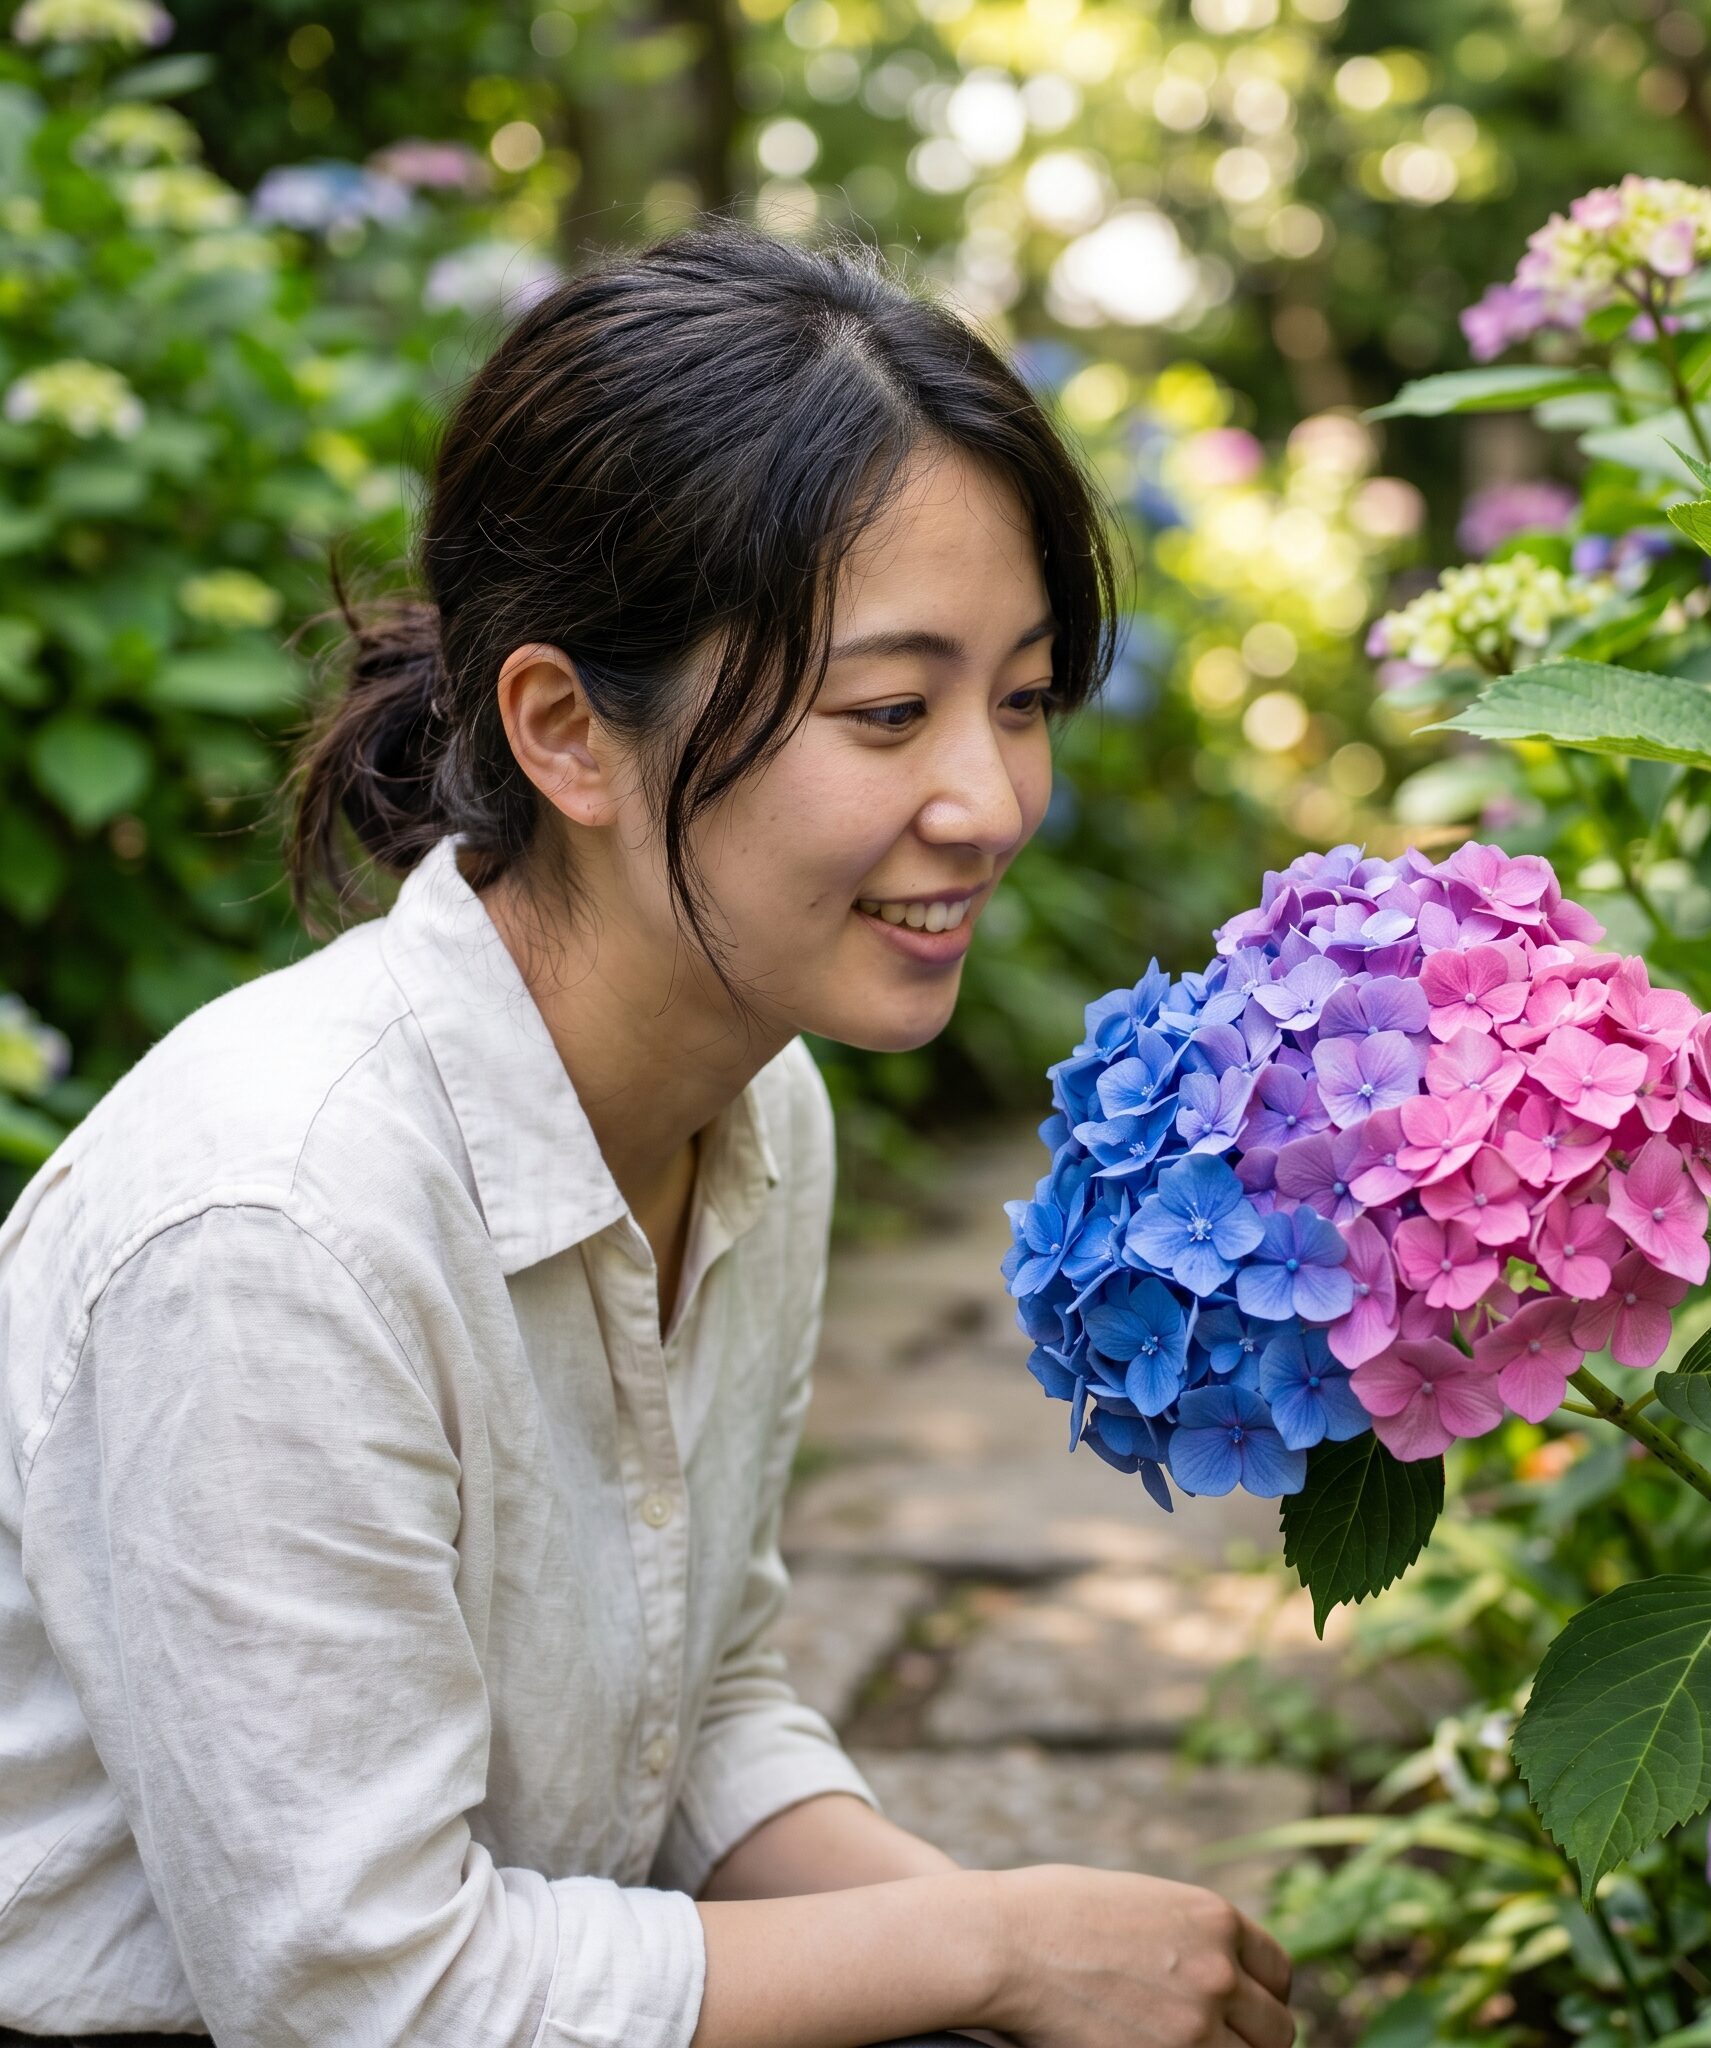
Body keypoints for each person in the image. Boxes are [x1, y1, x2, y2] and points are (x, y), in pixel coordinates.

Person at [0, 221, 1297, 2048]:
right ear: (566, 732)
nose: (994, 801)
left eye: (1019, 702)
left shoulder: (759, 1105)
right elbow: (365, 1998)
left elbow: (700, 1717)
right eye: (889, 711)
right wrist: (997, 1949)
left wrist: (1026, 1964)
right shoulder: (276, 1228)